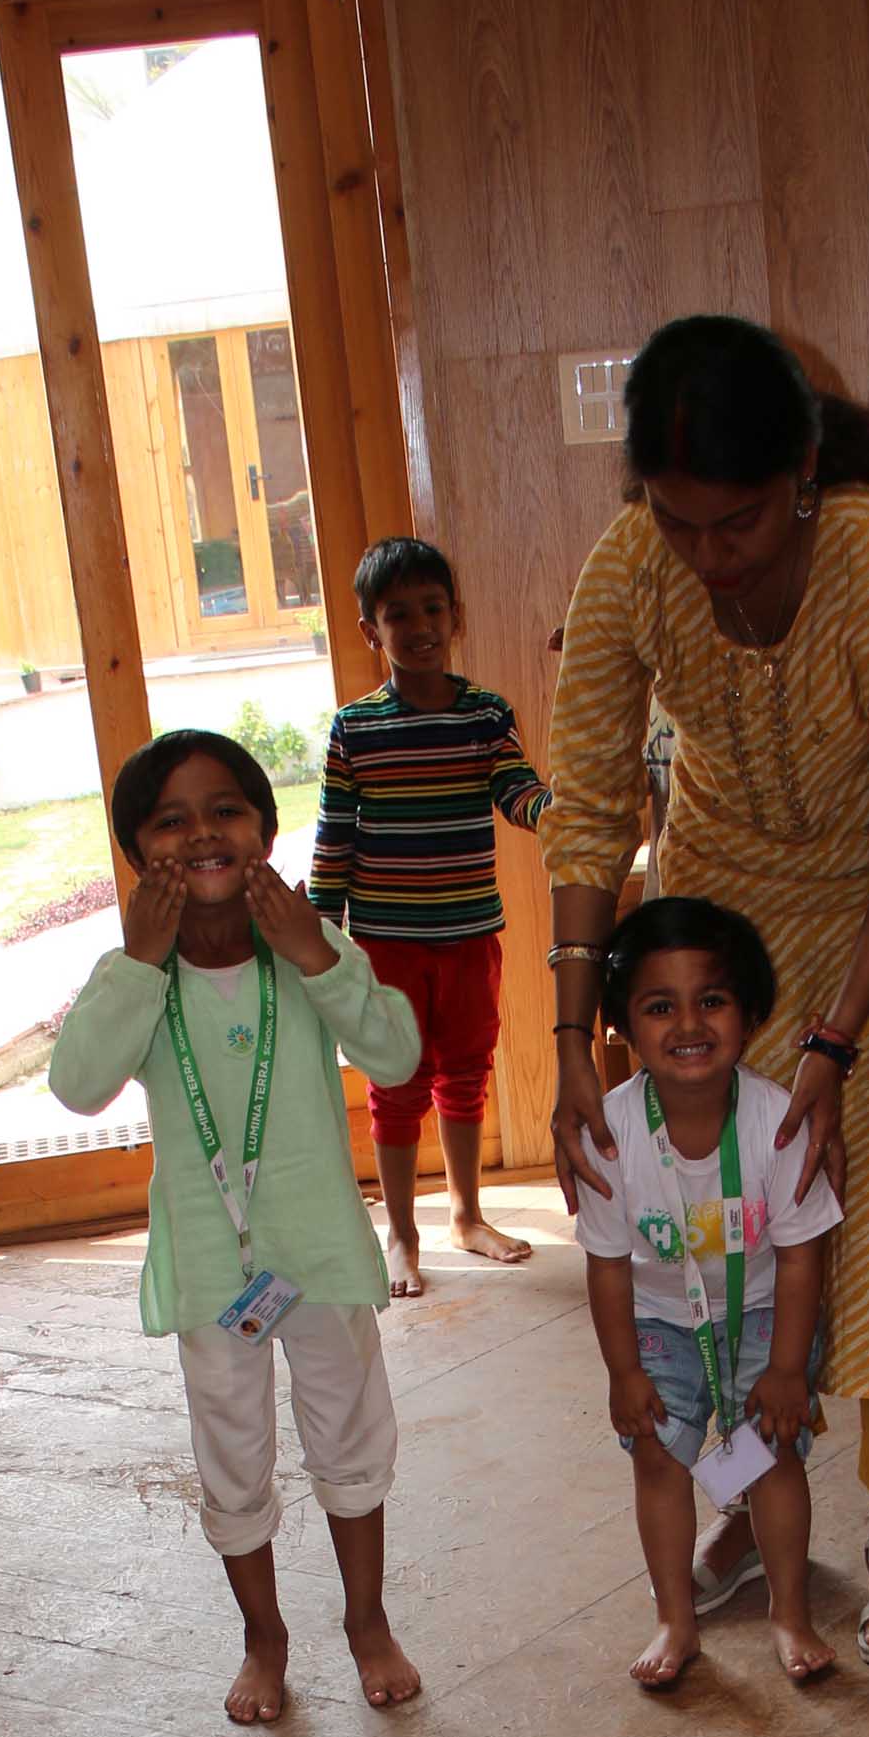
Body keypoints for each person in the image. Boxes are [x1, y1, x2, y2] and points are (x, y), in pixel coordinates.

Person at [544, 316, 869, 1668]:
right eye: (676, 521)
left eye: (736, 522)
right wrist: (570, 1038)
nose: (708, 555)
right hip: (726, 925)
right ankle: (749, 1491)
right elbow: (587, 814)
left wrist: (833, 1045)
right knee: (726, 1224)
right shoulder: (631, 566)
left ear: (802, 473)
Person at [49, 729, 425, 1726]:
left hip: (322, 1257)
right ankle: (264, 1638)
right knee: (231, 1452)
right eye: (170, 820)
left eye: (226, 810)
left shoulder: (308, 949)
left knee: (351, 1438)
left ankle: (367, 1622)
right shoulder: (134, 970)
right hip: (213, 1269)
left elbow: (395, 1058)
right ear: (137, 852)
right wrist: (139, 960)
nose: (203, 833)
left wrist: (317, 955)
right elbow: (78, 1085)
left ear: (264, 829)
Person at [575, 897, 841, 1690]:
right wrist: (624, 1372)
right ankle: (675, 1620)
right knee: (657, 1457)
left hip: (765, 1310)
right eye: (660, 1006)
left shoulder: (781, 1122)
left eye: (712, 1000)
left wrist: (787, 1369)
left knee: (772, 1453)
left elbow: (801, 1257)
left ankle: (790, 1614)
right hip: (659, 1319)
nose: (688, 1024)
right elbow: (607, 1267)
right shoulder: (607, 1136)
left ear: (751, 1016)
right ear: (622, 1026)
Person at [307, 535, 551, 1295]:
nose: (420, 627)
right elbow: (334, 838)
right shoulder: (355, 729)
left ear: (457, 617)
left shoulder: (486, 713)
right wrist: (315, 933)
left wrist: (557, 812)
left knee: (467, 1074)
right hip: (386, 946)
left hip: (471, 938)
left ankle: (467, 1215)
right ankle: (402, 1233)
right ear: (369, 631)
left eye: (433, 609)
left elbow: (517, 789)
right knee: (396, 1081)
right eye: (398, 614)